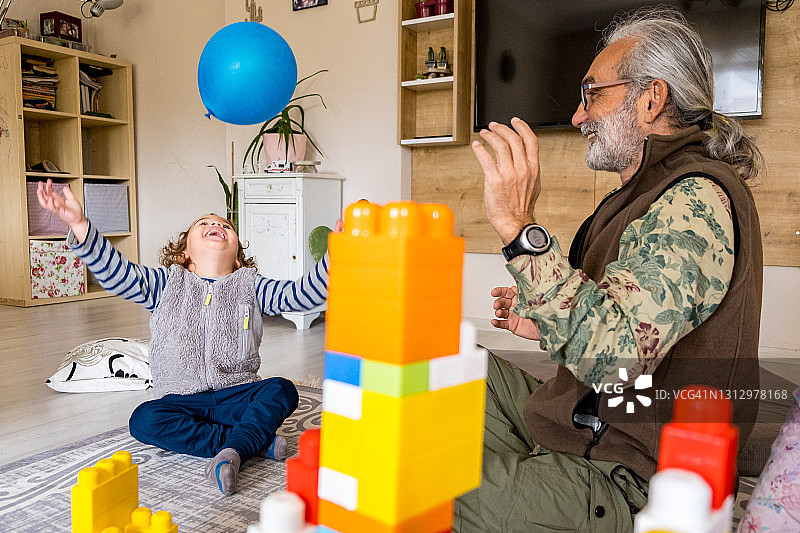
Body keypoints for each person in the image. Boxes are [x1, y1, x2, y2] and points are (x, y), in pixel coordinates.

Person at [455, 6, 763, 532]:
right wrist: (543, 321)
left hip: (636, 473)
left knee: (411, 479)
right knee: (444, 358)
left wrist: (517, 225)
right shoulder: (643, 190)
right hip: (584, 422)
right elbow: (614, 315)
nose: (578, 116)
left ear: (651, 98)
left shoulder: (695, 199)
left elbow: (616, 362)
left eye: (592, 93)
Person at [37, 179, 340, 497]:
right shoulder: (165, 284)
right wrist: (80, 225)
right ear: (183, 253)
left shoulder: (251, 286)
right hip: (180, 402)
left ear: (238, 257)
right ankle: (249, 443)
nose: (216, 225)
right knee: (143, 420)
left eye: (225, 225)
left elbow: (298, 295)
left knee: (281, 390)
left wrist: (334, 260)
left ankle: (237, 446)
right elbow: (118, 274)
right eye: (205, 223)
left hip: (235, 398)